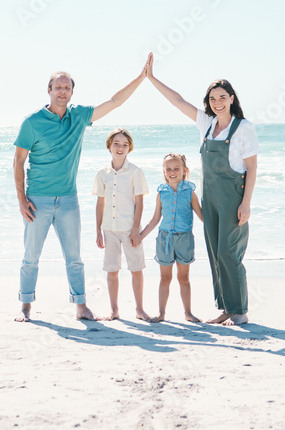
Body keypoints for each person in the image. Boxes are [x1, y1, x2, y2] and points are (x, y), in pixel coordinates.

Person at [13, 65, 147, 322]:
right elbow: (18, 161)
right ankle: (25, 306)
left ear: (72, 92)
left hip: (68, 200)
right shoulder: (32, 122)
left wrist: (141, 78)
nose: (62, 91)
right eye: (58, 87)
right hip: (37, 200)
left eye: (67, 87)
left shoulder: (80, 117)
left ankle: (81, 306)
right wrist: (21, 199)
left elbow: (115, 102)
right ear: (49, 90)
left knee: (74, 258)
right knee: (31, 257)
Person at [145, 55, 258, 326]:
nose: (217, 102)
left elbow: (252, 168)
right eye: (212, 99)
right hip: (211, 200)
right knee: (216, 253)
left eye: (222, 97)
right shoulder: (206, 125)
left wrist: (246, 203)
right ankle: (227, 307)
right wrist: (151, 78)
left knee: (229, 253)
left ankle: (240, 310)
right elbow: (178, 101)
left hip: (233, 198)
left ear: (232, 98)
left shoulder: (243, 128)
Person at [93, 128, 150, 321]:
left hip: (129, 229)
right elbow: (100, 203)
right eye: (116, 143)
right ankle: (114, 310)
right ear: (109, 146)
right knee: (111, 270)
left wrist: (136, 229)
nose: (120, 147)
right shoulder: (102, 173)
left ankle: (140, 309)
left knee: (136, 269)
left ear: (129, 148)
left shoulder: (135, 172)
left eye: (125, 145)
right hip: (109, 229)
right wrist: (98, 231)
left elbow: (140, 202)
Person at [139, 153, 203, 323]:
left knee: (184, 278)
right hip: (164, 239)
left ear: (184, 170)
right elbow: (155, 219)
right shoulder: (161, 193)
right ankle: (161, 313)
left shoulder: (190, 192)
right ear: (164, 171)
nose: (172, 172)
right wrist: (141, 236)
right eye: (168, 169)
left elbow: (202, 216)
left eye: (176, 168)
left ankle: (188, 313)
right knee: (165, 278)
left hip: (184, 239)